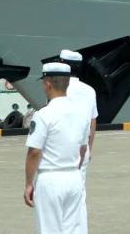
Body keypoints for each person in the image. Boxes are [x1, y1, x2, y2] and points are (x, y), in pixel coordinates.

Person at [23, 62, 89, 234]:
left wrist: (29, 183)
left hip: (50, 178)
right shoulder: (82, 113)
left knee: (50, 229)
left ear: (48, 84)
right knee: (74, 229)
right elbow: (83, 149)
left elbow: (34, 152)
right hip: (74, 177)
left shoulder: (43, 114)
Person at [58, 50, 98, 191]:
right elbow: (92, 121)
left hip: (60, 147)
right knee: (79, 188)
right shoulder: (90, 90)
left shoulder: (58, 89)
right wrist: (89, 148)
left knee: (60, 189)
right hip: (83, 145)